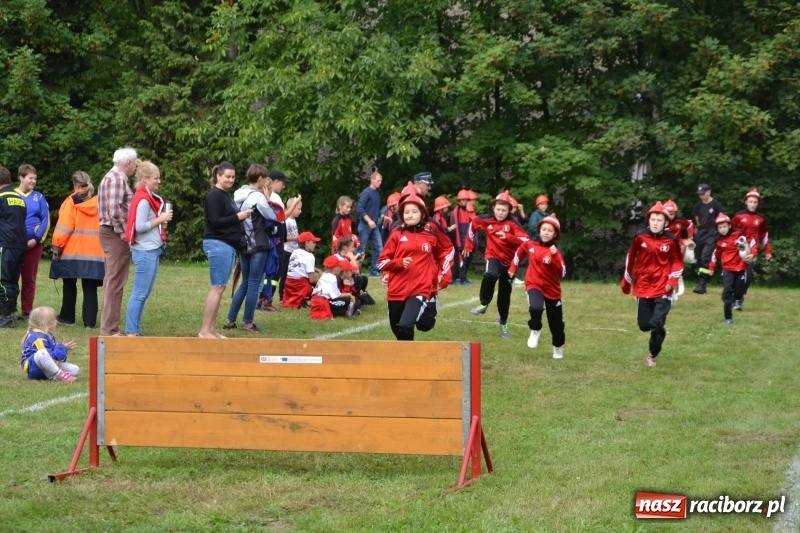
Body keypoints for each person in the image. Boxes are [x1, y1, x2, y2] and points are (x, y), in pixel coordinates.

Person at [377, 192, 454, 341]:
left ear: (422, 214)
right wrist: (396, 264)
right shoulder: (396, 234)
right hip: (396, 290)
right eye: (406, 212)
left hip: (420, 288)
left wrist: (444, 273)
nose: (410, 215)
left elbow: (445, 251)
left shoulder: (431, 235)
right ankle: (408, 360)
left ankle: (431, 301)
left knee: (407, 325)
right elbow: (382, 261)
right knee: (399, 330)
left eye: (414, 212)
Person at [620, 202, 684, 367]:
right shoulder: (640, 237)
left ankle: (652, 354)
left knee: (657, 323)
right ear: (649, 221)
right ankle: (657, 330)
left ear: (665, 222)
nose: (655, 222)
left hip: (663, 287)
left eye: (659, 220)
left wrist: (671, 281)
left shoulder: (671, 240)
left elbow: (677, 262)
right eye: (653, 219)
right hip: (643, 286)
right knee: (644, 325)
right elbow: (631, 257)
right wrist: (626, 281)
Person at [464, 191, 530, 338]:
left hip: (510, 262)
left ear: (509, 210)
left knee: (504, 294)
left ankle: (503, 322)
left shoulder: (513, 223)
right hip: (492, 256)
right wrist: (468, 245)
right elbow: (473, 224)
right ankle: (483, 304)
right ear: (493, 208)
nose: (500, 213)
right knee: (490, 274)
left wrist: (509, 237)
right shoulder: (485, 220)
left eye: (504, 210)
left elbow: (526, 241)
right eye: (498, 209)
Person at [198, 162, 252, 339]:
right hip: (217, 244)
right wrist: (238, 217)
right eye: (227, 176)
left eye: (233, 177)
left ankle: (212, 329)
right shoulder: (214, 195)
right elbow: (214, 221)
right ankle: (205, 330)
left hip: (227, 245)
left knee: (220, 287)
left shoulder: (225, 195)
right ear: (218, 176)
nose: (230, 179)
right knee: (217, 287)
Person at [224, 164, 276, 333]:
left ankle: (230, 319)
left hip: (243, 242)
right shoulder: (257, 197)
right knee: (254, 283)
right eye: (265, 178)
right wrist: (267, 198)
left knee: (245, 283)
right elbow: (272, 216)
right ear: (260, 179)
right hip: (258, 243)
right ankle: (248, 322)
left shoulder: (237, 193)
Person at [123, 161, 173, 336]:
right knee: (139, 293)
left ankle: (134, 330)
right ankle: (131, 331)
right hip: (145, 251)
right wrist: (161, 219)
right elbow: (140, 227)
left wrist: (161, 223)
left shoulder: (145, 196)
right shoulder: (143, 200)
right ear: (145, 179)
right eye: (156, 178)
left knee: (143, 293)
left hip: (150, 249)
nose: (159, 181)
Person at [49, 171, 105, 328]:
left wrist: (56, 248)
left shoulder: (71, 201)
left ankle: (68, 318)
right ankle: (89, 322)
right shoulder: (100, 202)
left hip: (71, 251)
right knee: (90, 287)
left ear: (75, 184)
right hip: (95, 252)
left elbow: (64, 228)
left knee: (69, 284)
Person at [508, 214, 566, 359]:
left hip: (552, 290)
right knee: (535, 308)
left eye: (550, 230)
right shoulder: (530, 244)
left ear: (555, 234)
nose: (546, 232)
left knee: (556, 324)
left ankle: (558, 347)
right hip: (533, 284)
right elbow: (519, 252)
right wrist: (513, 267)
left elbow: (562, 272)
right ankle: (535, 329)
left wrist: (555, 258)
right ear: (539, 230)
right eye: (544, 229)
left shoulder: (556, 251)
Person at [98, 147, 137, 336]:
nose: (136, 167)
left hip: (110, 232)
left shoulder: (111, 177)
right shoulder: (117, 178)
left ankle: (109, 327)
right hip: (114, 234)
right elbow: (114, 211)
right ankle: (109, 329)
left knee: (112, 280)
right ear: (128, 162)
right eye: (135, 163)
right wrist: (123, 232)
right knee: (115, 282)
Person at [16, 164, 50, 320]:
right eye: (30, 178)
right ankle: (8, 309)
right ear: (21, 177)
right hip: (14, 245)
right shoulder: (11, 195)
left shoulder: (39, 197)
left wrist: (36, 239)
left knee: (29, 279)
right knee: (11, 278)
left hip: (33, 245)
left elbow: (45, 219)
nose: (34, 181)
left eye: (35, 178)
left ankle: (27, 311)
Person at [709, 213, 755, 324]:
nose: (722, 229)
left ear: (729, 225)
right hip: (728, 269)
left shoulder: (739, 234)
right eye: (720, 227)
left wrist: (752, 254)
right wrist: (711, 267)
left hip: (741, 268)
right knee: (727, 291)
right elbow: (715, 255)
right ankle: (728, 318)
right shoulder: (719, 242)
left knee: (738, 292)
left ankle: (738, 298)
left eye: (724, 226)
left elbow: (752, 241)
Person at [730, 188, 772, 310]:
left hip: (752, 252)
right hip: (737, 251)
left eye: (755, 202)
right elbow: (730, 233)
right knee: (735, 277)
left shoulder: (761, 219)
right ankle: (733, 298)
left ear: (758, 203)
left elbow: (764, 235)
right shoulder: (738, 216)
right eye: (751, 201)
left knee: (747, 279)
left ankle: (739, 299)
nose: (753, 204)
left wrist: (767, 250)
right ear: (746, 202)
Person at [0, 165, 27, 328]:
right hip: (19, 245)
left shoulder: (1, 197)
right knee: (12, 280)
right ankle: (9, 312)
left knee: (2, 280)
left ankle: (4, 315)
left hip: (4, 244)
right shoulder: (19, 198)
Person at [20, 306, 79, 382]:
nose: (56, 322)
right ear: (46, 323)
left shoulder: (48, 334)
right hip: (34, 368)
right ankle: (59, 374)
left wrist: (63, 348)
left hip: (45, 366)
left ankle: (53, 376)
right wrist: (62, 348)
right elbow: (50, 356)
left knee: (75, 369)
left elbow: (53, 356)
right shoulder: (38, 337)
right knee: (42, 353)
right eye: (54, 320)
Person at [691, 183, 724, 294]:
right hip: (701, 232)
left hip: (712, 233)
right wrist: (699, 228)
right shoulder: (698, 205)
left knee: (705, 256)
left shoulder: (716, 205)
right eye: (700, 194)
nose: (701, 196)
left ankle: (702, 284)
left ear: (709, 192)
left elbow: (721, 219)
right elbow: (696, 217)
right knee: (700, 258)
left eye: (703, 194)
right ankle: (701, 281)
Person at [663, 199, 695, 299]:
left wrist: (690, 237)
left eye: (672, 214)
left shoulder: (680, 220)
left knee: (676, 267)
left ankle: (675, 290)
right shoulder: (661, 221)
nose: (670, 216)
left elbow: (690, 223)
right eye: (668, 213)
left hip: (678, 247)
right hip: (664, 248)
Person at [282, 231, 322, 309]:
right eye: (313, 242)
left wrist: (317, 270)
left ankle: (304, 300)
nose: (315, 244)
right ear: (306, 243)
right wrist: (321, 280)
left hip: (289, 285)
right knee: (320, 286)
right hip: (301, 286)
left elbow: (300, 265)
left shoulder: (294, 252)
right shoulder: (310, 256)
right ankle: (307, 300)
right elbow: (311, 280)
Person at [356, 171, 384, 276]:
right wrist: (369, 221)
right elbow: (360, 208)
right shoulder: (366, 192)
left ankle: (374, 270)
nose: (380, 183)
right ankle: (356, 271)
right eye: (378, 180)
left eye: (381, 181)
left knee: (379, 247)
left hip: (374, 226)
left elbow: (375, 209)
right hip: (365, 225)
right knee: (361, 249)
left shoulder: (377, 193)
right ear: (372, 180)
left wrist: (382, 216)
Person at [278, 196, 301, 302]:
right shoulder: (286, 221)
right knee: (284, 273)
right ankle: (281, 295)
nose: (300, 211)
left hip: (294, 251)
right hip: (286, 251)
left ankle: (289, 293)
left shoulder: (294, 220)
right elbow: (284, 238)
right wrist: (295, 238)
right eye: (299, 209)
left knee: (292, 273)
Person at [450, 189, 474, 285]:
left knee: (463, 260)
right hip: (459, 242)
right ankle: (460, 278)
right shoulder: (456, 211)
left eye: (466, 200)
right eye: (462, 200)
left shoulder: (466, 211)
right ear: (459, 200)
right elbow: (456, 229)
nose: (464, 201)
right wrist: (459, 244)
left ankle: (457, 278)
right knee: (460, 261)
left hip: (465, 241)